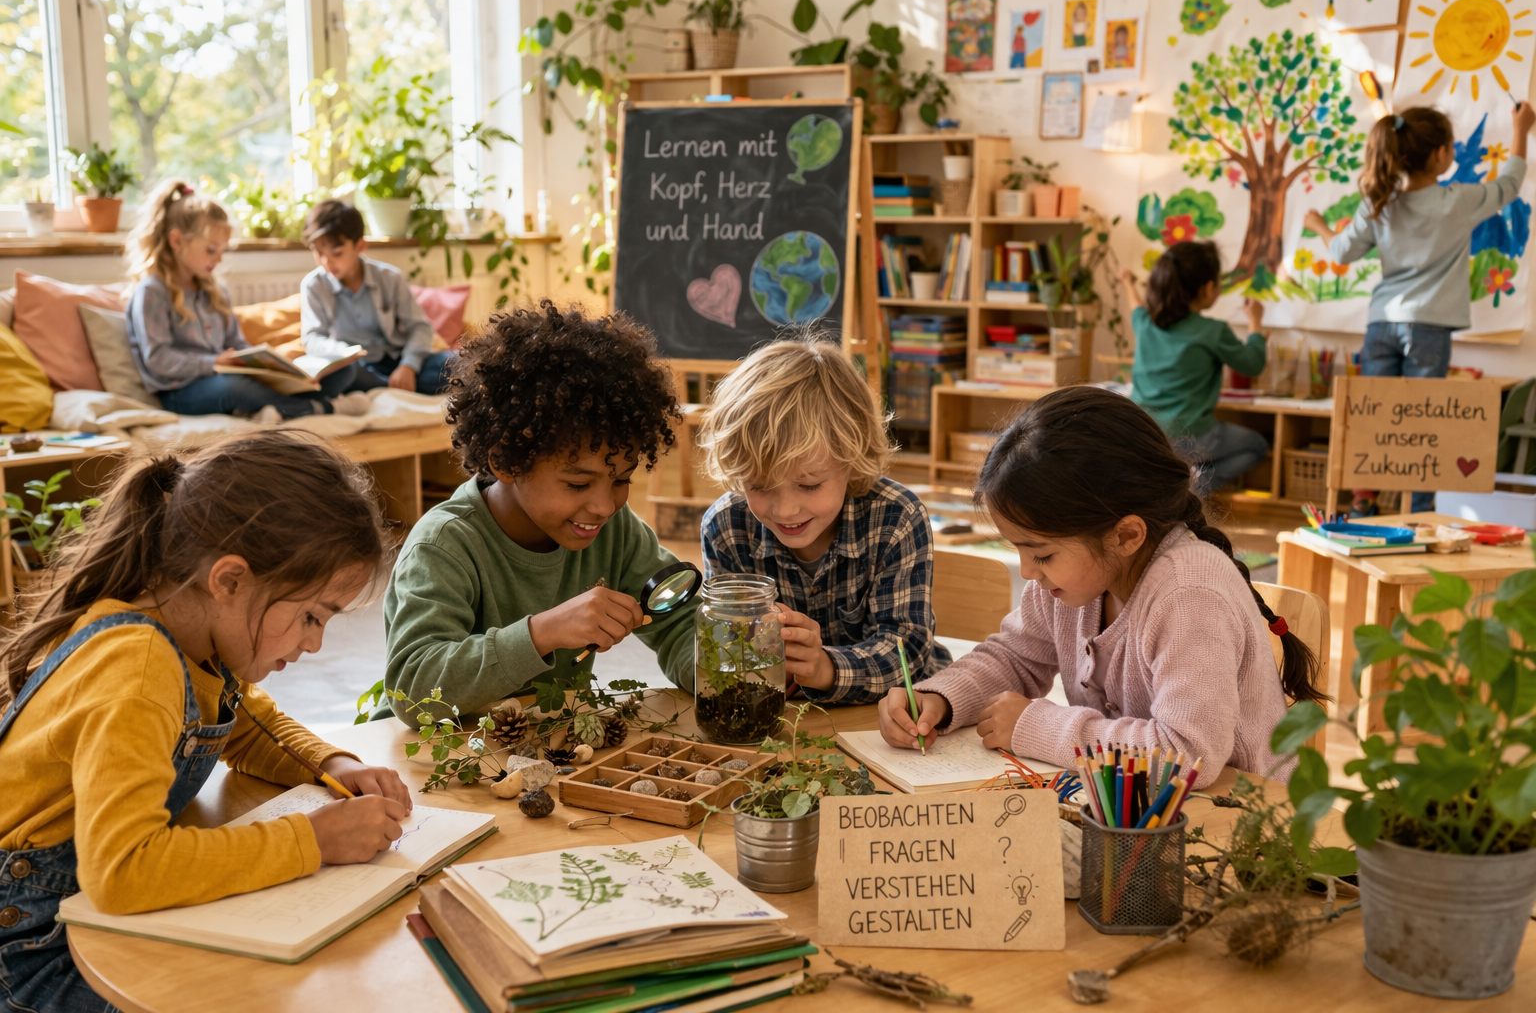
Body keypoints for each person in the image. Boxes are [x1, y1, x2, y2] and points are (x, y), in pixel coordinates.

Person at [0, 432, 410, 1012]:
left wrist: (332, 762)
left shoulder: (190, 636)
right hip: (29, 950)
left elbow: (242, 722)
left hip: (78, 915)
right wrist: (313, 839)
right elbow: (125, 871)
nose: (316, 645)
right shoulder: (136, 670)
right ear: (230, 580)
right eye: (312, 617)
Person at [877, 386, 1324, 778]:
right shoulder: (1073, 580)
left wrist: (1038, 727)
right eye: (1021, 551)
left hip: (1241, 829)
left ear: (1126, 535)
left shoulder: (1189, 594)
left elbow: (1188, 756)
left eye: (1041, 554)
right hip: (1138, 814)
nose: (1028, 572)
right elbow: (1015, 657)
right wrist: (940, 699)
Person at [384, 301, 695, 718]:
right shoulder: (444, 544)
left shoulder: (615, 533)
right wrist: (541, 633)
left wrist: (733, 666)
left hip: (547, 754)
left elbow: (680, 623)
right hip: (436, 759)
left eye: (621, 479)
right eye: (578, 484)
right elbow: (414, 689)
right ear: (507, 461)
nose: (605, 506)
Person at [1306, 102, 1534, 513]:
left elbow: (1341, 250)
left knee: (1374, 415)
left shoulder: (1379, 201)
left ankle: (1363, 501)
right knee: (1422, 418)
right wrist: (1521, 129)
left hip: (1381, 326)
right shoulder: (1457, 200)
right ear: (1441, 155)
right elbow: (1510, 184)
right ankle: (1421, 507)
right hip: (1428, 326)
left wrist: (1319, 225)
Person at [697, 337, 949, 705]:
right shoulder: (726, 527)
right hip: (783, 714)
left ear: (853, 456)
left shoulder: (896, 518)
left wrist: (824, 667)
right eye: (760, 486)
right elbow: (725, 651)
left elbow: (906, 653)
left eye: (809, 485)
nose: (785, 511)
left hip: (900, 715)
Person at [124, 180, 366, 422]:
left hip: (226, 376)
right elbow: (158, 360)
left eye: (222, 251)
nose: (218, 259)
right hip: (182, 391)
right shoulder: (152, 292)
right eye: (211, 250)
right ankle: (321, 408)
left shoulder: (216, 292)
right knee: (234, 387)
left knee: (343, 371)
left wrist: (267, 366)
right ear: (176, 241)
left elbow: (236, 342)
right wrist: (214, 362)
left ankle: (283, 407)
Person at [1124, 241, 1270, 491]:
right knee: (1256, 445)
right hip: (1190, 436)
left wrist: (1126, 281)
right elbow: (1252, 364)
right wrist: (1255, 323)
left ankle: (1175, 487)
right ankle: (1193, 490)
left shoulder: (1146, 322)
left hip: (1141, 435)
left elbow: (1135, 305)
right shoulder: (1212, 332)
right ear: (1208, 288)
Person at [301, 199, 452, 396]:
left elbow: (420, 327)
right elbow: (312, 339)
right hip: (355, 366)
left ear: (360, 246)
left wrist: (408, 366)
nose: (326, 262)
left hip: (398, 360)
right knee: (340, 375)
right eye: (318, 253)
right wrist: (344, 352)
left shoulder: (390, 278)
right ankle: (389, 388)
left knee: (458, 363)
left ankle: (392, 386)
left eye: (337, 253)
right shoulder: (314, 286)